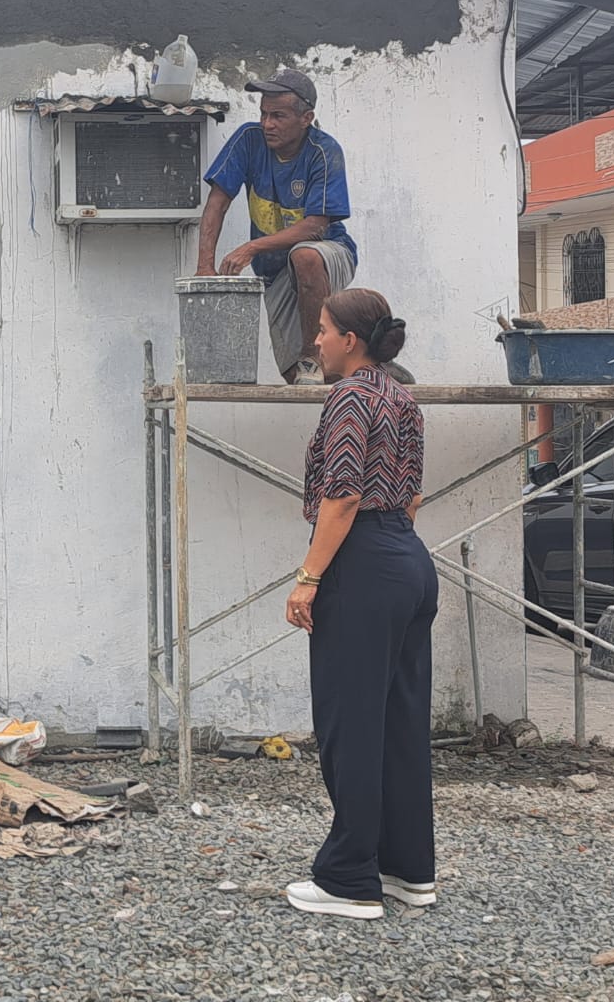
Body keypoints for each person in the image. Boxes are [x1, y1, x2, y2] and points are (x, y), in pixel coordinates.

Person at [281, 288, 438, 921]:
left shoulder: (349, 397)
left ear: (351, 340)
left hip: (364, 562)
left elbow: (343, 496)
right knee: (400, 724)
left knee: (350, 725)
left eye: (323, 330)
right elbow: (413, 494)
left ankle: (349, 879)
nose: (316, 340)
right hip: (408, 560)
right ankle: (408, 870)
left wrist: (309, 576)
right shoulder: (402, 396)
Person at [197, 69, 415, 387]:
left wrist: (251, 247)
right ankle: (373, 370)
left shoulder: (324, 152)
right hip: (275, 270)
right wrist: (204, 268)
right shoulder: (248, 139)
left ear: (306, 118)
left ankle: (314, 358)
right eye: (263, 114)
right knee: (295, 376)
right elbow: (217, 203)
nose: (267, 124)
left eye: (278, 116)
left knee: (305, 257)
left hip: (329, 253)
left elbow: (315, 227)